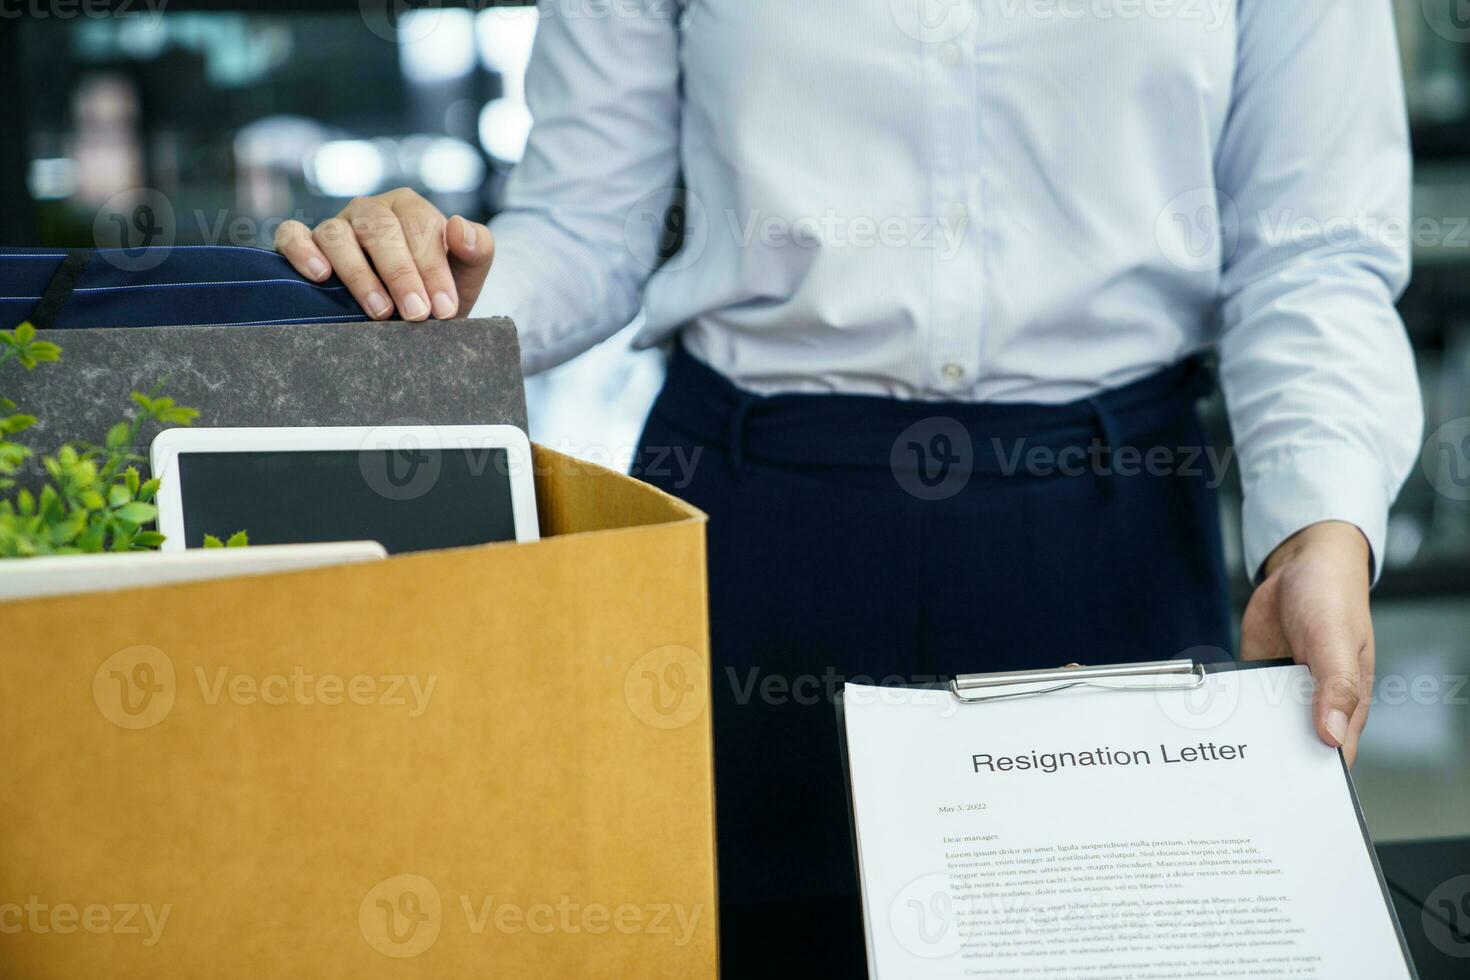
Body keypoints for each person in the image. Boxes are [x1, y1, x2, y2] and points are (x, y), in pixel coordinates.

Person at [276, 2, 1422, 974]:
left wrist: (1321, 523)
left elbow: (1311, 249)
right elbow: (584, 223)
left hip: (1103, 525)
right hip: (755, 528)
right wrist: (431, 288)